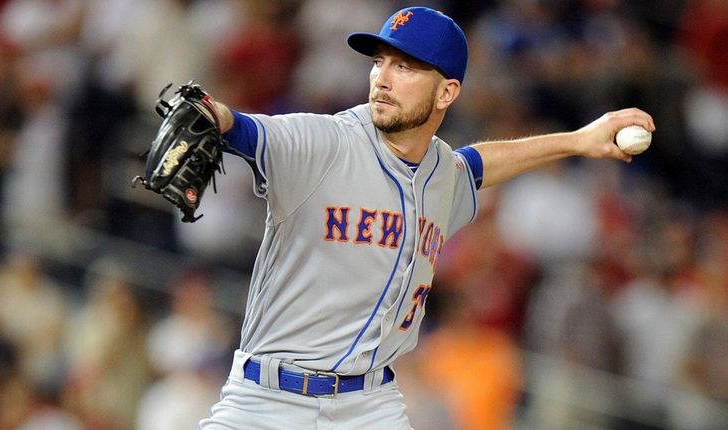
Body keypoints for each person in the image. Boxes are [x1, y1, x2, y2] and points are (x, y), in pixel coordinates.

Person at [197, 6, 655, 429]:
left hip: (369, 405)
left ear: (447, 91)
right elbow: (248, 129)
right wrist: (215, 116)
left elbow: (478, 164)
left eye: (405, 66)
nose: (382, 78)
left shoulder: (442, 176)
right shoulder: (326, 143)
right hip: (266, 400)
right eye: (379, 61)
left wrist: (577, 140)